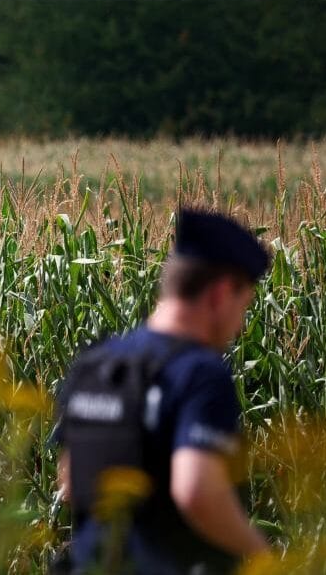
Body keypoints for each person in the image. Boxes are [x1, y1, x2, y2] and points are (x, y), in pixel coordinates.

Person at [54, 209, 272, 574]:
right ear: (220, 294)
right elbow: (195, 491)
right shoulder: (198, 372)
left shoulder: (96, 363)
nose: (240, 325)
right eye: (243, 307)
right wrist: (263, 556)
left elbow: (71, 482)